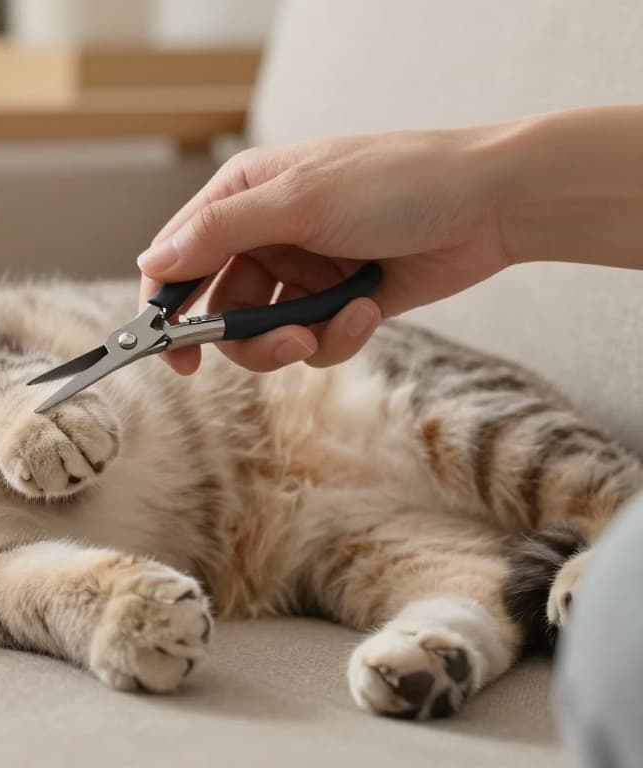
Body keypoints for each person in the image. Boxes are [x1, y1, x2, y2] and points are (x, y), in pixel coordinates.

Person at [134, 104, 643, 767]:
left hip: (316, 419)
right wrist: (483, 189)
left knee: (615, 641)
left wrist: (487, 189)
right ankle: (462, 615)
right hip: (294, 509)